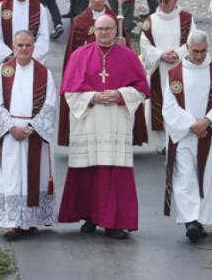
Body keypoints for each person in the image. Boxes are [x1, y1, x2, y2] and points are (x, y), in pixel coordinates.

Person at [57, 15, 151, 238]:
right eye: (100, 29)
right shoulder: (80, 55)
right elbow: (69, 92)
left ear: (114, 31)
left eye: (108, 29)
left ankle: (114, 222)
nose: (104, 33)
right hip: (89, 122)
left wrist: (120, 94)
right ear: (94, 30)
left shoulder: (128, 56)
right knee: (88, 170)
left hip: (115, 123)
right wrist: (93, 97)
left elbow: (141, 90)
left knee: (114, 173)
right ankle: (89, 216)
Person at [0, 30, 59, 238]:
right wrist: (11, 127)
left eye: (28, 45)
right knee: (11, 178)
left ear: (33, 47)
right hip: (10, 135)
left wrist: (32, 128)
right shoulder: (3, 72)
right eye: (20, 46)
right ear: (14, 48)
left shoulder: (44, 73)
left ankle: (31, 220)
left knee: (35, 175)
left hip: (34, 132)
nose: (24, 49)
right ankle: (12, 221)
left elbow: (50, 105)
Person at [161, 30, 212, 242]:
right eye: (196, 52)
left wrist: (208, 121)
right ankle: (190, 221)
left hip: (209, 133)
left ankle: (201, 217)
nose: (200, 56)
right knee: (186, 178)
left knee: (207, 177)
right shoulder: (175, 73)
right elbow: (169, 106)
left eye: (203, 51)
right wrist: (192, 124)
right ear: (187, 48)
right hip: (184, 134)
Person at [59, 0, 118, 146]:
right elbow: (74, 51)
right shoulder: (80, 20)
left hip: (111, 71)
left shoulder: (115, 19)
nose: (98, 1)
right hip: (88, 72)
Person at [139, 0, 194, 152]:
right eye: (160, 1)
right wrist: (161, 55)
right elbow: (145, 45)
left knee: (180, 103)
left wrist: (178, 53)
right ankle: (163, 143)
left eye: (166, 1)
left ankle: (181, 138)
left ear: (175, 1)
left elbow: (194, 42)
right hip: (159, 70)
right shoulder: (150, 21)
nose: (162, 4)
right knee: (161, 104)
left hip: (181, 69)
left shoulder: (186, 19)